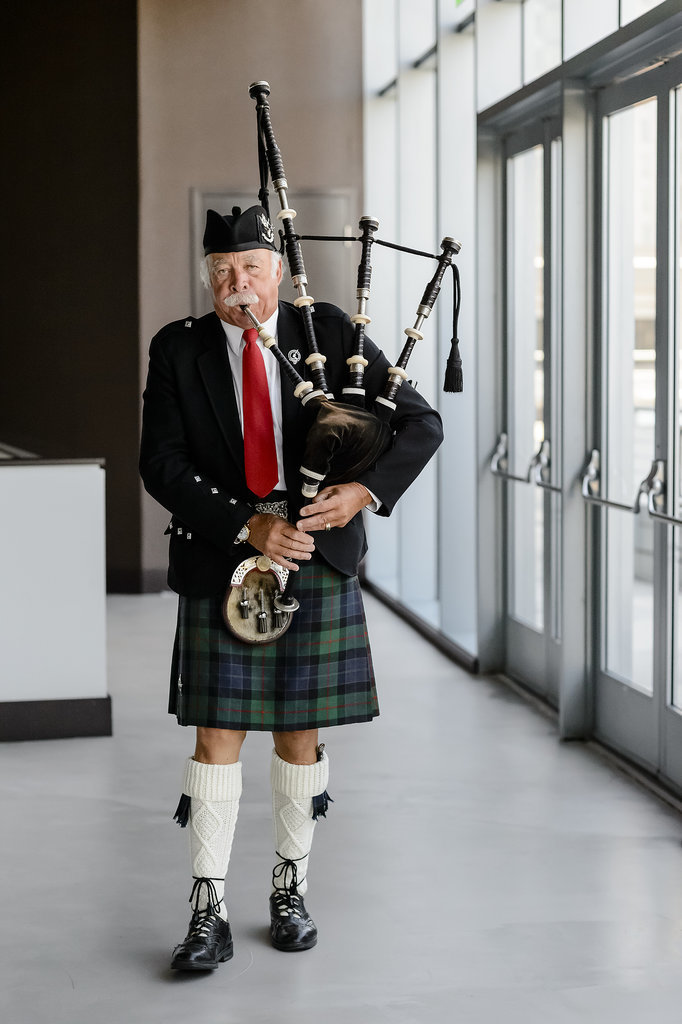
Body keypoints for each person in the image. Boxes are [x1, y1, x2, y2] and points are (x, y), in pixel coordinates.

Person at [139, 204, 443, 971]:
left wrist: (360, 493)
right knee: (216, 738)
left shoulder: (329, 332)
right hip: (223, 557)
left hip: (317, 557)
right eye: (221, 273)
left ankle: (290, 888)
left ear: (277, 271)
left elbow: (419, 422)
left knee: (299, 733)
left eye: (250, 269)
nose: (236, 284)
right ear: (208, 278)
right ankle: (207, 908)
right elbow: (162, 464)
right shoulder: (178, 349)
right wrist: (247, 526)